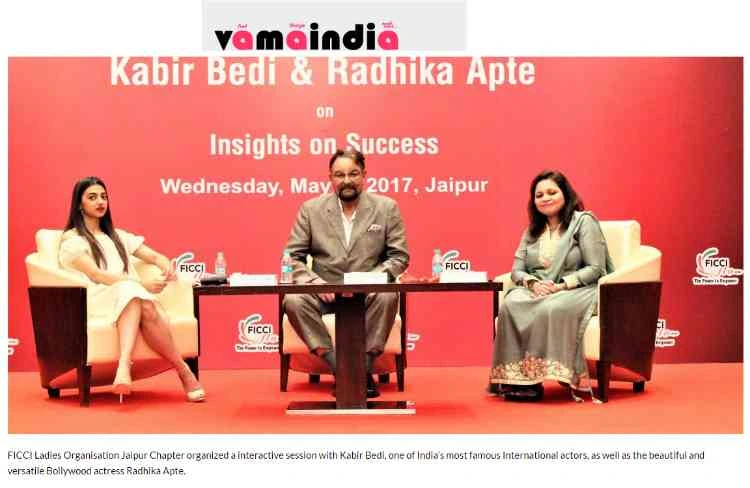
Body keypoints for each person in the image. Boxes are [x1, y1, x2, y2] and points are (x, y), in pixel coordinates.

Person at [58, 176, 205, 403]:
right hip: (95, 298)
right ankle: (183, 370)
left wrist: (165, 266)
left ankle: (124, 367)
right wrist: (141, 285)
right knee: (133, 292)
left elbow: (154, 256)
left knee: (139, 301)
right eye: (92, 197)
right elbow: (97, 275)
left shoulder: (117, 236)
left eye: (104, 197)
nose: (100, 202)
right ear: (79, 204)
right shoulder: (72, 240)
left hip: (129, 296)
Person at [283, 149, 409, 398]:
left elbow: (399, 257)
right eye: (339, 175)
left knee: (387, 296)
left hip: (369, 291)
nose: (347, 180)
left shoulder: (386, 208)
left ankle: (363, 366)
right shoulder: (311, 209)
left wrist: (371, 279)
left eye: (353, 173)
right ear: (330, 178)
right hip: (325, 292)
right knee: (294, 300)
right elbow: (292, 257)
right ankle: (342, 369)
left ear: (364, 175)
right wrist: (315, 282)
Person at [490, 170, 614, 401]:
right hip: (539, 288)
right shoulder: (532, 232)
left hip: (578, 288)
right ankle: (518, 380)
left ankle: (540, 376)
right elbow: (517, 270)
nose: (545, 198)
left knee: (550, 307)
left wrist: (561, 286)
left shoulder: (583, 222)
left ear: (565, 194)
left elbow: (596, 268)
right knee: (511, 303)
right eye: (539, 195)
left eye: (551, 192)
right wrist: (532, 283)